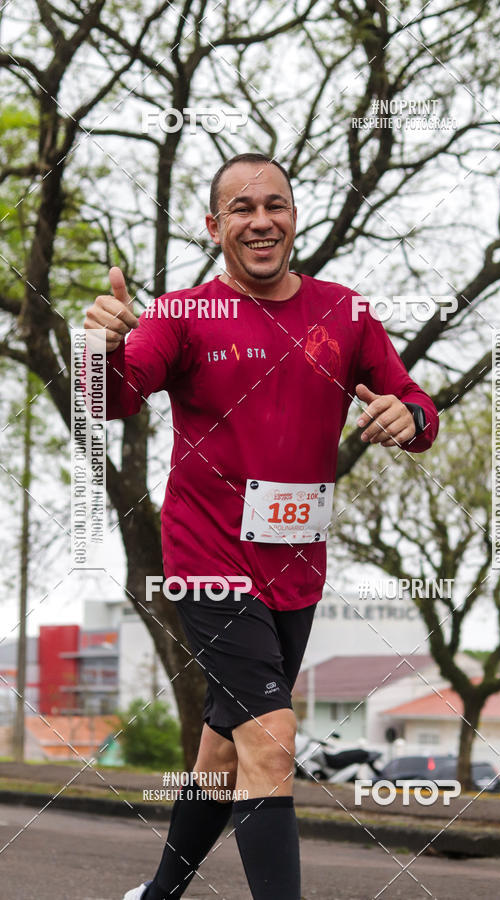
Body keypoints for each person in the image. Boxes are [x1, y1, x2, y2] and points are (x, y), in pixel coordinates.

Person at [83, 152, 439, 899]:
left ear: (294, 217)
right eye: (241, 209)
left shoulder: (345, 315)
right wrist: (100, 350)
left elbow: (416, 403)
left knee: (223, 751)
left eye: (274, 205)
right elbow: (112, 400)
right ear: (215, 227)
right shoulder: (182, 315)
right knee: (272, 746)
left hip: (296, 567)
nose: (260, 220)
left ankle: (155, 896)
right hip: (207, 557)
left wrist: (406, 416)